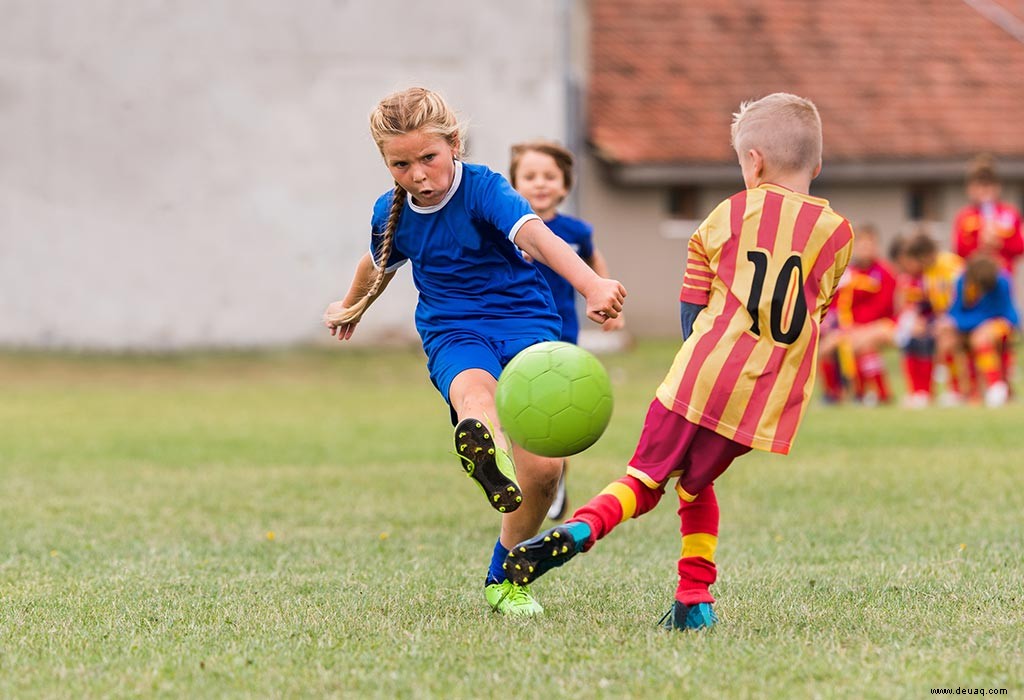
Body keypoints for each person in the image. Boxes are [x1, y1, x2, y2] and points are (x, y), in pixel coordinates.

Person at [501, 93, 853, 631]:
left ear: (753, 161)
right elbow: (818, 310)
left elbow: (693, 296)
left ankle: (579, 529)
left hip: (701, 376)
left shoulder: (733, 211)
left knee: (644, 481)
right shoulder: (838, 234)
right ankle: (695, 599)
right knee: (694, 486)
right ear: (818, 165)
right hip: (764, 396)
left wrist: (696, 351)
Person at [323, 88, 626, 616]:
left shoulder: (484, 187)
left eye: (428, 158)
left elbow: (536, 236)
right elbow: (376, 263)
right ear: (385, 162)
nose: (418, 174)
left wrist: (592, 284)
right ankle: (483, 447)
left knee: (548, 470)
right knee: (473, 390)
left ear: (454, 144)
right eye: (401, 164)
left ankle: (506, 575)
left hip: (525, 323)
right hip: (453, 329)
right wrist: (350, 306)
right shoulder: (391, 212)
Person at [508, 140, 625, 521]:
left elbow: (594, 259)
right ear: (514, 184)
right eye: (529, 176)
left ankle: (555, 478)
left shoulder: (576, 230)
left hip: (561, 336)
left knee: (557, 415)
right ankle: (522, 477)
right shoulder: (506, 228)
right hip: (514, 330)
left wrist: (609, 302)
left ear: (564, 185)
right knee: (518, 410)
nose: (539, 184)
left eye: (549, 177)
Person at [817, 224, 897, 404]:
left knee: (860, 343)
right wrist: (831, 324)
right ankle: (834, 394)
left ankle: (876, 393)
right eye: (861, 245)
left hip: (882, 324)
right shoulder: (846, 273)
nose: (865, 250)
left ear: (876, 246)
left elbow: (883, 307)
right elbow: (835, 304)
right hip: (849, 328)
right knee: (827, 346)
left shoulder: (885, 273)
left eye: (870, 245)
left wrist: (856, 327)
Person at [891, 230, 964, 407]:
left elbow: (963, 297)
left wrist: (947, 320)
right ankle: (921, 392)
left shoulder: (951, 265)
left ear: (925, 255)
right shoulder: (928, 272)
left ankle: (955, 391)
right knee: (913, 338)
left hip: (960, 317)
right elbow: (931, 302)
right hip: (941, 318)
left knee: (944, 339)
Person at [942, 254, 1019, 407]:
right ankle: (957, 391)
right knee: (946, 339)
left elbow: (995, 312)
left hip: (1002, 324)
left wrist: (962, 323)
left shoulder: (1001, 281)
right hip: (972, 326)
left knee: (981, 337)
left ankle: (996, 387)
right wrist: (949, 322)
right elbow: (955, 310)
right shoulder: (962, 281)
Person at [952, 155, 1023, 278]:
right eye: (978, 186)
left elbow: (1019, 248)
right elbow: (959, 251)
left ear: (998, 187)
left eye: (988, 185)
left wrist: (1000, 243)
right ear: (970, 189)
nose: (983, 191)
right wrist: (980, 243)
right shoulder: (964, 217)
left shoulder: (1009, 214)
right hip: (974, 278)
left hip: (1003, 276)